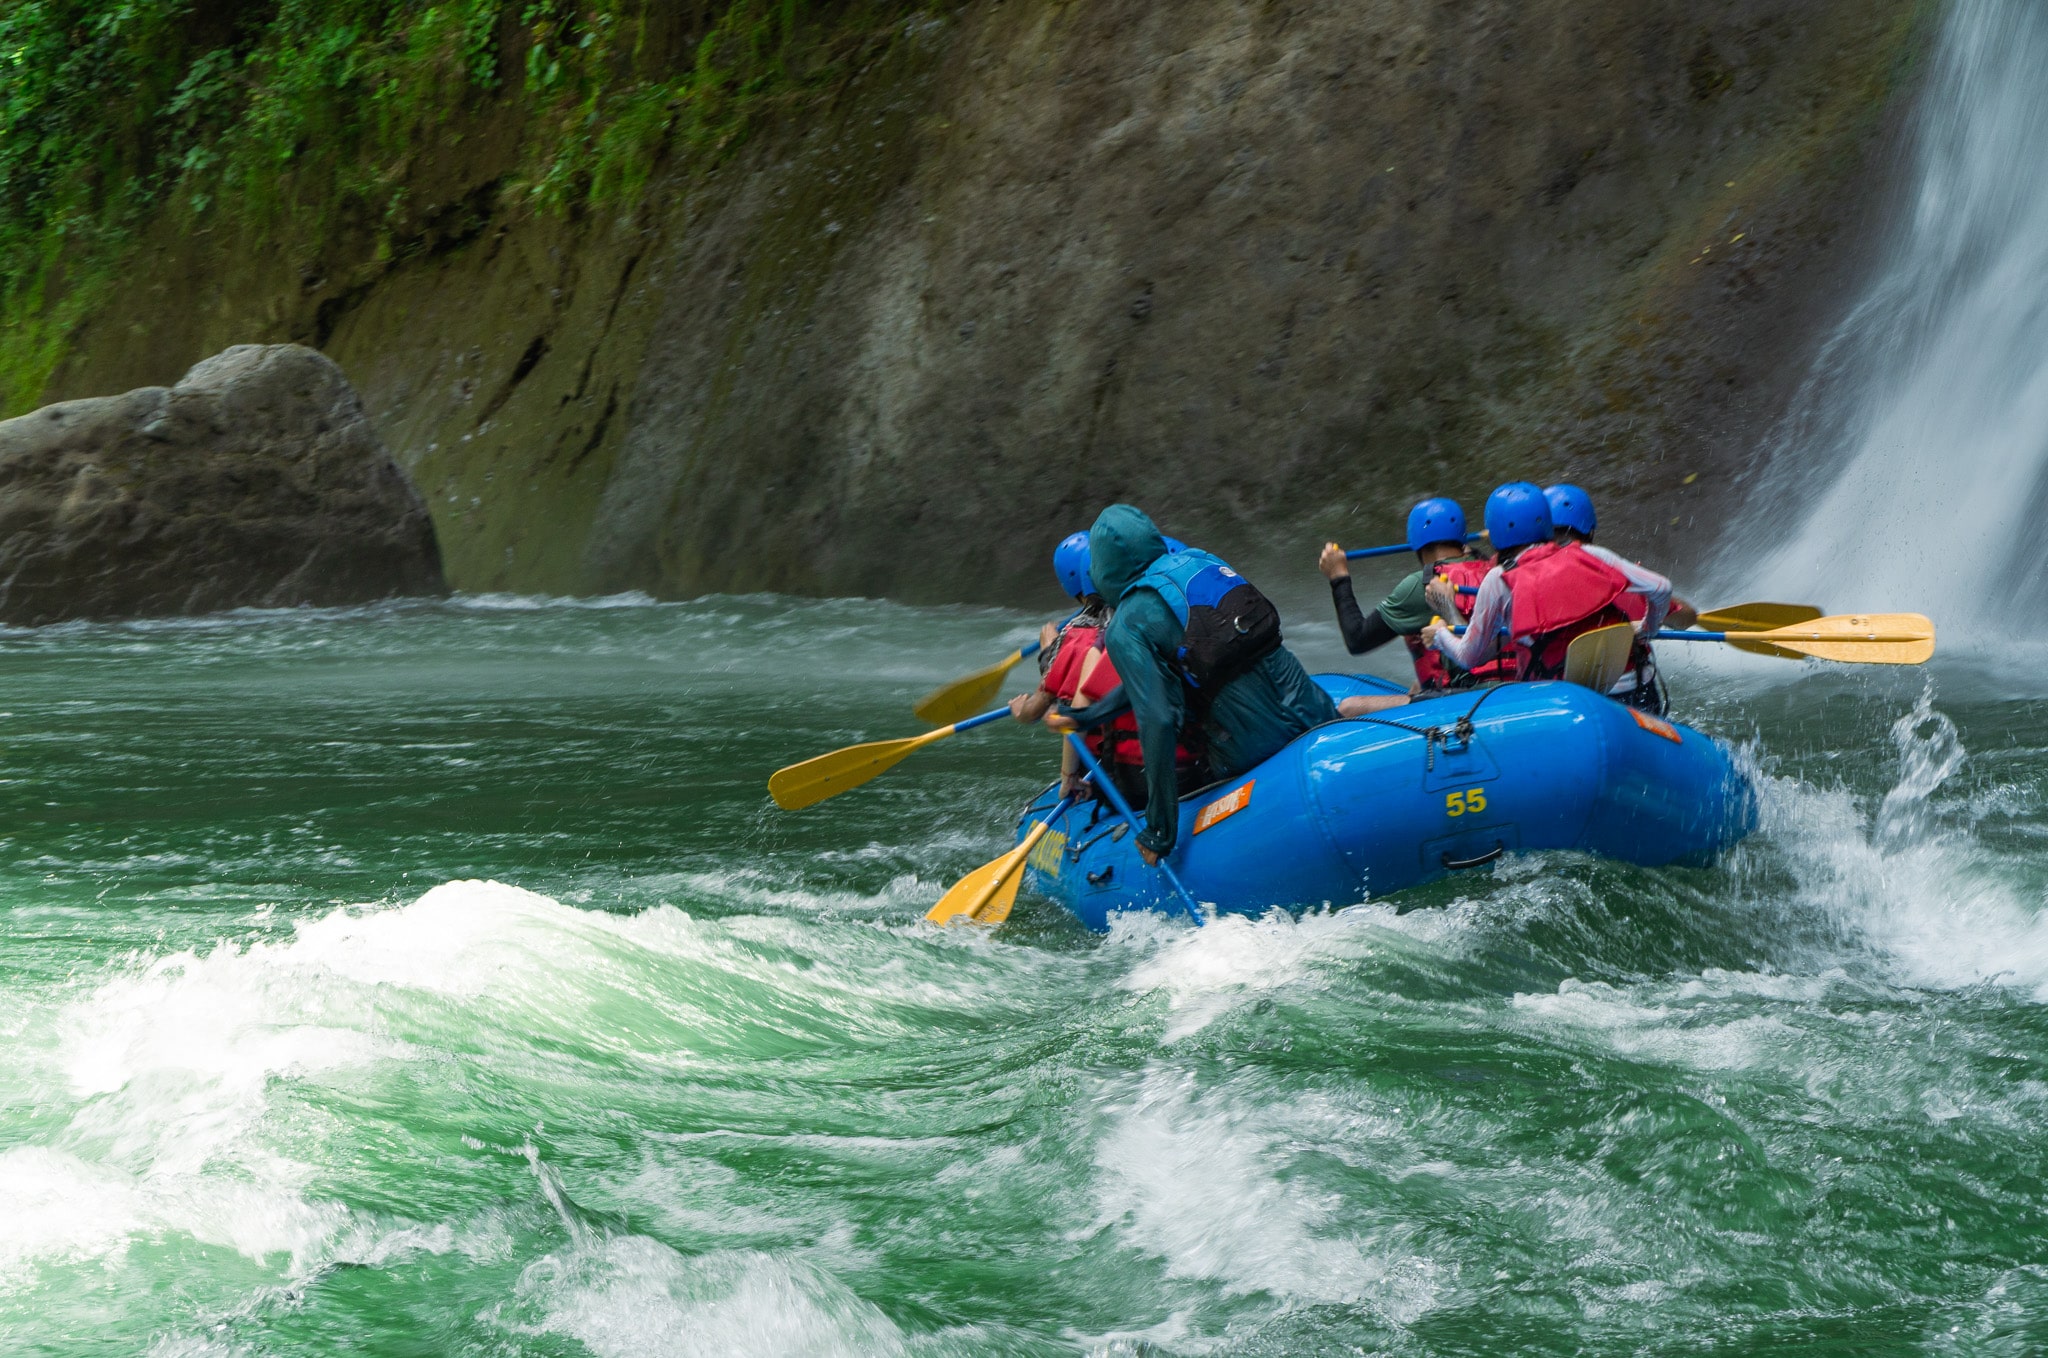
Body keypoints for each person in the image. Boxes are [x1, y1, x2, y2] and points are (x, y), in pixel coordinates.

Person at [1090, 504, 1338, 866]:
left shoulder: (1125, 624)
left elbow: (1158, 718)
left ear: (1102, 570)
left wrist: (1159, 830)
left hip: (1250, 754)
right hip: (1319, 716)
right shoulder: (1202, 559)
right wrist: (1087, 715)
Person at [1423, 482, 1675, 712]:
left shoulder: (1498, 580)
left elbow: (1470, 657)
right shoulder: (1592, 555)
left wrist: (1441, 635)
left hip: (1565, 705)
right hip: (1637, 693)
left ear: (1496, 531)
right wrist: (1647, 628)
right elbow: (1661, 588)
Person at [1011, 531, 1201, 806]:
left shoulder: (1086, 641)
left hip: (1128, 781)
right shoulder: (1193, 627)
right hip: (1194, 768)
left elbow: (1052, 707)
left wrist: (1068, 777)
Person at [1542, 483, 1697, 708]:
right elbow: (1688, 617)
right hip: (1636, 694)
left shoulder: (1532, 581)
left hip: (1572, 700)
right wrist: (1650, 626)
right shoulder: (1623, 577)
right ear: (1590, 530)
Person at [1318, 497, 1494, 694]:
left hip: (1466, 694)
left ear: (1416, 542)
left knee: (1351, 707)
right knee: (1416, 688)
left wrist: (1338, 577)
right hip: (1507, 680)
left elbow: (1357, 639)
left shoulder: (1422, 585)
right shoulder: (1492, 567)